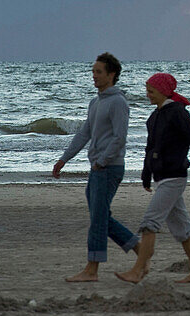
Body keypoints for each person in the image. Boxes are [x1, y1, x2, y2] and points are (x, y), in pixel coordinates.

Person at [116, 73, 190, 283]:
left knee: (149, 222)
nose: (148, 95)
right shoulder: (154, 117)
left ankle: (139, 270)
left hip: (175, 177)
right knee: (182, 227)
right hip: (161, 178)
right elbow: (150, 149)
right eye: (147, 90)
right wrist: (146, 175)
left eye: (151, 91)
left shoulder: (178, 114)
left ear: (163, 91)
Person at [52, 53, 140, 282]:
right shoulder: (96, 101)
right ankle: (140, 250)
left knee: (98, 220)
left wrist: (103, 161)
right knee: (101, 217)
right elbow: (84, 133)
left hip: (109, 168)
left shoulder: (118, 102)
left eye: (98, 72)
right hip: (97, 167)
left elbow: (120, 137)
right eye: (93, 71)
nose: (94, 76)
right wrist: (64, 159)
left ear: (111, 75)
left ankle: (92, 270)